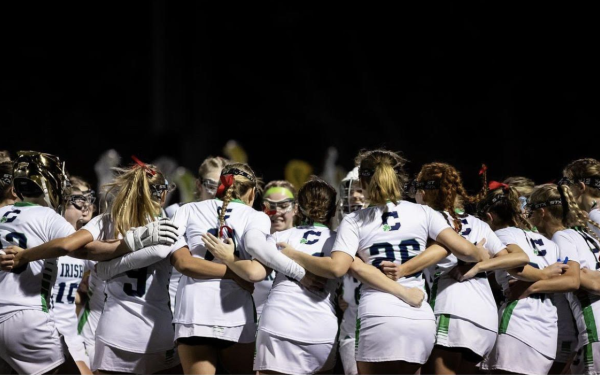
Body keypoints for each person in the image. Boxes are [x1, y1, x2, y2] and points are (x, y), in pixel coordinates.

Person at [278, 149, 485, 374]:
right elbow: (466, 252)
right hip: (419, 318)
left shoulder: (355, 220)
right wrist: (478, 252)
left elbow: (337, 268)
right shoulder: (423, 212)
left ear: (363, 182)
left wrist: (294, 255)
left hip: (379, 315)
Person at [93, 162, 312, 375]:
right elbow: (255, 267)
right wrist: (298, 273)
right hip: (234, 315)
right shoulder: (256, 217)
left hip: (193, 314)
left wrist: (107, 269)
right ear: (252, 193)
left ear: (220, 186)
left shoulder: (187, 209)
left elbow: (170, 255)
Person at [399, 163, 529, 375]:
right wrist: (481, 262)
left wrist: (475, 265)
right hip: (485, 320)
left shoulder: (427, 218)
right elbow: (517, 258)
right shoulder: (479, 224)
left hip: (452, 311)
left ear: (423, 193)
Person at [477, 183, 580, 375]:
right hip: (548, 330)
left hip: (519, 320)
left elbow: (517, 265)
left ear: (489, 217)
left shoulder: (498, 234)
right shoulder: (548, 241)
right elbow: (567, 278)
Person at [0, 151, 75, 375]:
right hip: (28, 317)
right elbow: (81, 248)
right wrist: (129, 243)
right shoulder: (47, 216)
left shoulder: (2, 213)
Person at [529, 182, 600, 374]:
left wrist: (531, 285)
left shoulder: (562, 237)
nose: (529, 218)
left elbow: (573, 280)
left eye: (530, 212)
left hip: (596, 331)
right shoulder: (590, 234)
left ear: (541, 212)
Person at [53, 181, 96, 375]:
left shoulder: (83, 245)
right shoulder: (48, 239)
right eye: (79, 201)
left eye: (88, 200)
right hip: (49, 331)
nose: (86, 207)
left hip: (72, 331)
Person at [336, 167, 366, 375]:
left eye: (361, 190)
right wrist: (339, 293)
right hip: (350, 319)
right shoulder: (340, 228)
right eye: (352, 190)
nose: (354, 195)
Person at [254, 180, 298, 319]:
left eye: (284, 206)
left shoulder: (306, 242)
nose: (276, 212)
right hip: (254, 328)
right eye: (270, 206)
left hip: (295, 325)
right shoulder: (253, 242)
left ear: (295, 209)